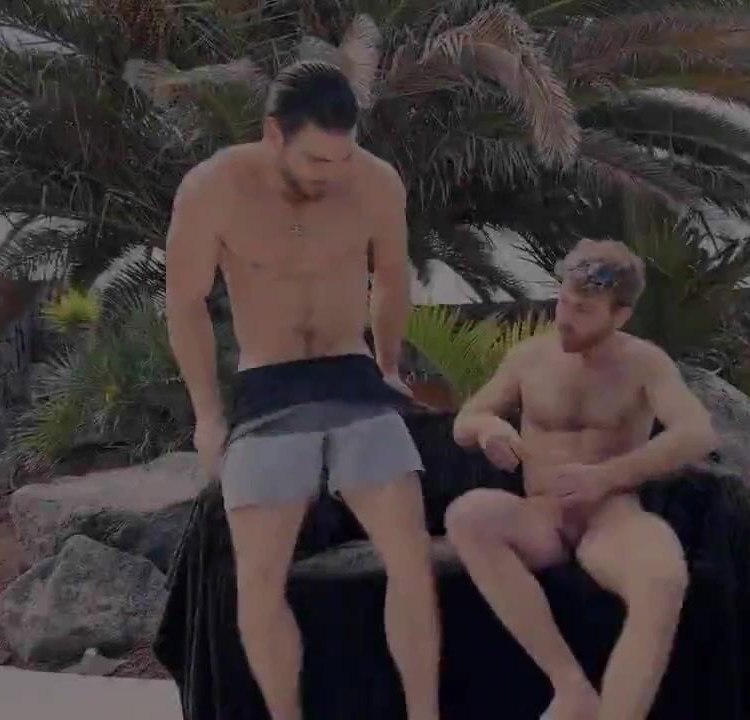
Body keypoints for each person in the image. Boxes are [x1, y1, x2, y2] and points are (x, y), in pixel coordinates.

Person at [164, 60, 440, 720]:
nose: (330, 173)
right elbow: (185, 302)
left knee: (411, 558)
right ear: (273, 134)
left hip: (351, 373)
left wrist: (388, 365)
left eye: (342, 157)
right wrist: (207, 416)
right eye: (315, 159)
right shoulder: (214, 188)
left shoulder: (375, 182)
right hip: (267, 383)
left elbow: (392, 277)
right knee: (259, 581)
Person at [445, 239, 721, 720]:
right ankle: (571, 688)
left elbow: (697, 433)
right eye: (564, 302)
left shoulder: (645, 362)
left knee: (662, 579)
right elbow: (465, 420)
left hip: (610, 516)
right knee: (468, 515)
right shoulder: (529, 358)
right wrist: (489, 429)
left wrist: (605, 477)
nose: (565, 319)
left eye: (584, 311)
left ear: (621, 316)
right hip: (542, 516)